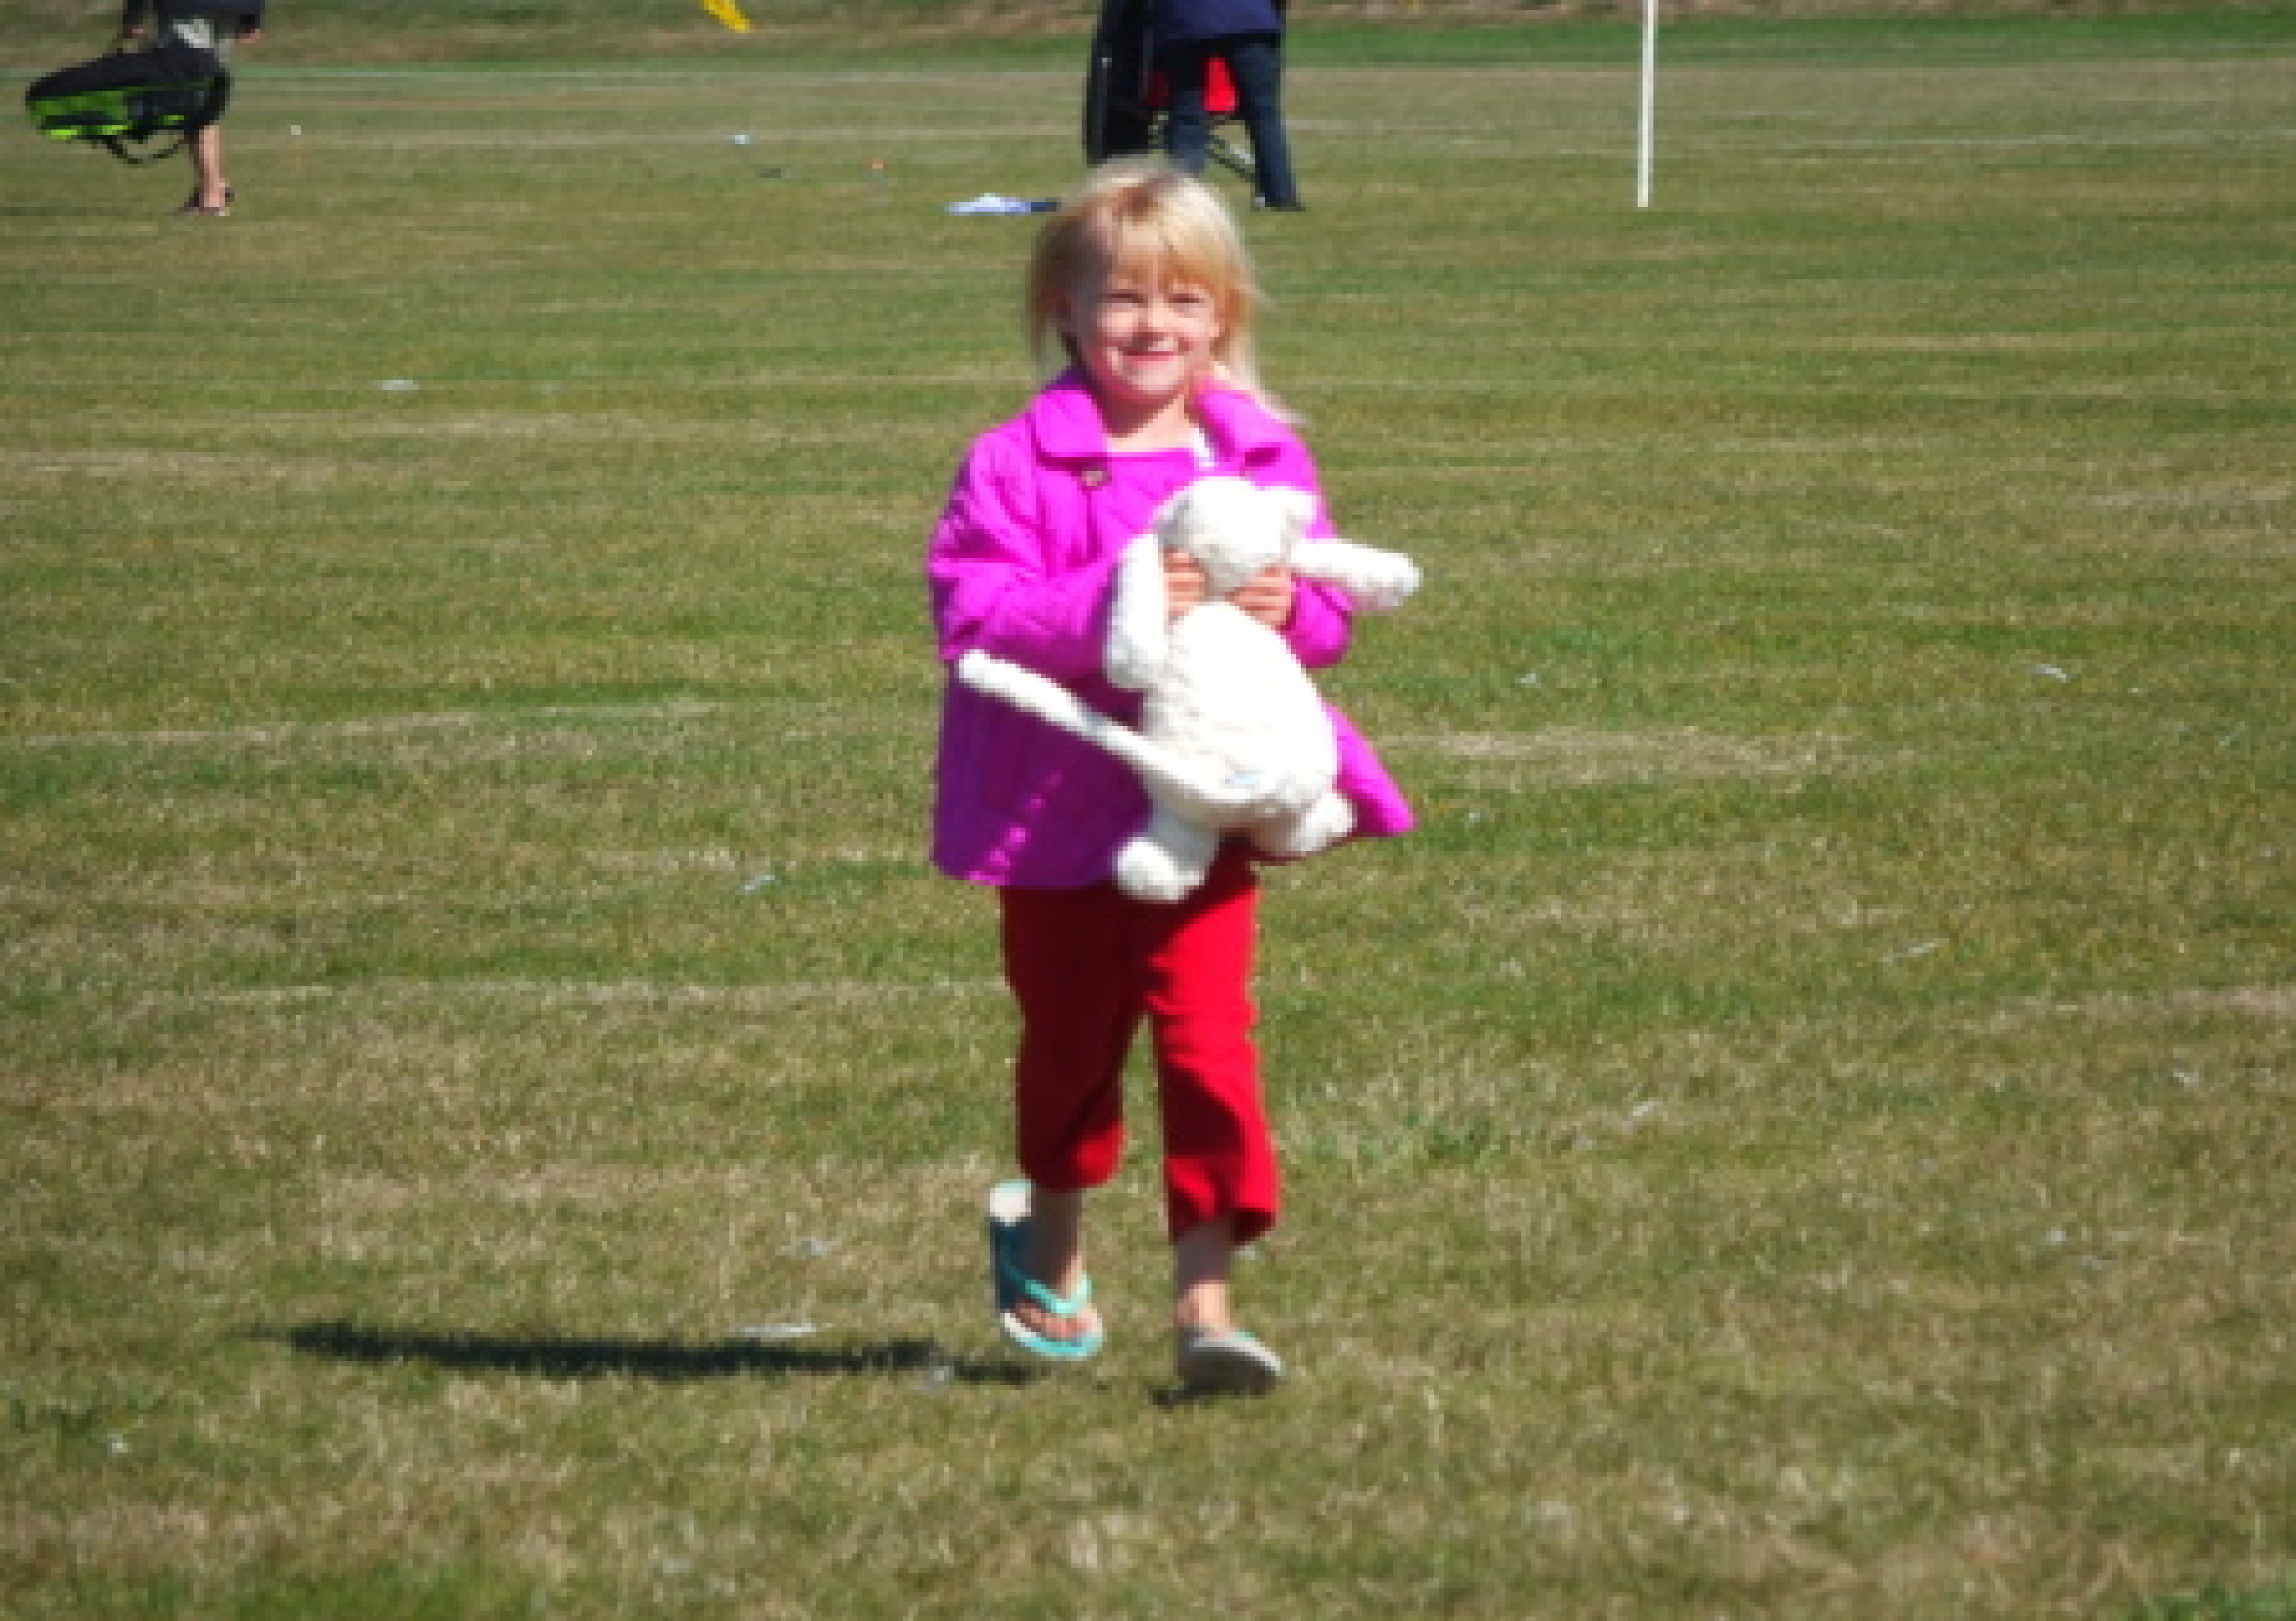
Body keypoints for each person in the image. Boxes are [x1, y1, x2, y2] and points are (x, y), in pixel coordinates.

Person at [925, 161, 1410, 1393]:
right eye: (1123, 300)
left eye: (1182, 302)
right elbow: (974, 617)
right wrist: (1112, 602)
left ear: (1222, 318)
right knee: (1072, 1047)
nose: (1153, 327)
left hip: (1203, 809)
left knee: (1207, 1049)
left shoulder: (1258, 457)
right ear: (1064, 312)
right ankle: (1049, 1242)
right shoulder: (1014, 461)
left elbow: (1323, 632)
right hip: (1052, 811)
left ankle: (1205, 1308)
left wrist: (1285, 607)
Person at [117, 0, 264, 217]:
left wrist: (134, 16)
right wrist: (252, 17)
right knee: (208, 95)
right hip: (233, 8)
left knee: (193, 100)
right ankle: (217, 184)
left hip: (187, 9)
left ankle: (212, 197)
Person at [1152, 0, 1301, 211]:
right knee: (1263, 115)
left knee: (1187, 115)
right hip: (1250, 19)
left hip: (1184, 20)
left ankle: (1182, 197)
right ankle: (1282, 196)